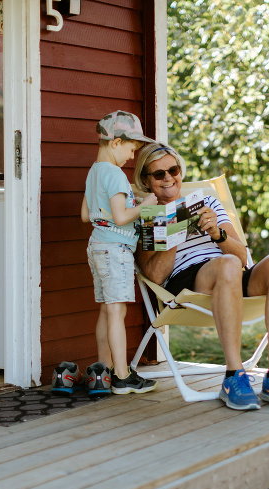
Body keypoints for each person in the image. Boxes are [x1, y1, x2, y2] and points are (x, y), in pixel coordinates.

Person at [133, 142, 269, 410]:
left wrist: (218, 234)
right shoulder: (148, 217)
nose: (169, 178)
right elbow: (154, 276)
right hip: (190, 282)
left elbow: (243, 258)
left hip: (234, 271)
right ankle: (233, 376)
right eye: (159, 174)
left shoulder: (207, 201)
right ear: (146, 180)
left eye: (173, 170)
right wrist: (178, 229)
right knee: (225, 265)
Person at [79, 111, 159, 395]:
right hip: (115, 249)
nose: (131, 156)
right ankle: (123, 376)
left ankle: (104, 371)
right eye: (130, 149)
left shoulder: (94, 171)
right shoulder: (113, 173)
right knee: (117, 311)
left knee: (105, 309)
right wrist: (146, 204)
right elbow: (122, 217)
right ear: (115, 143)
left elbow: (86, 215)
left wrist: (125, 204)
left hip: (97, 246)